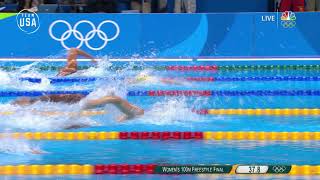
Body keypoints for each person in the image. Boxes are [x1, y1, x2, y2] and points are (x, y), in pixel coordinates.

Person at [12, 94, 144, 122]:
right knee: (63, 99)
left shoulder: (131, 113)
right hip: (92, 102)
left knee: (63, 100)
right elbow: (114, 99)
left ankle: (29, 101)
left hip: (91, 101)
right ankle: (29, 101)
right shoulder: (134, 113)